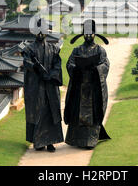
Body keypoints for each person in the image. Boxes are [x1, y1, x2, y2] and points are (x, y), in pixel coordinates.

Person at [64, 19, 111, 149]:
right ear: (83, 34)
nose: (88, 36)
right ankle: (76, 139)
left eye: (91, 34)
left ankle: (90, 140)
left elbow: (105, 65)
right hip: (79, 87)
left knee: (93, 112)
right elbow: (70, 64)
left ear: (94, 34)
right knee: (77, 112)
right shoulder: (77, 50)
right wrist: (77, 68)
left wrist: (95, 69)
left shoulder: (100, 50)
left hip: (93, 88)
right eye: (86, 34)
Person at [22, 18, 64, 152]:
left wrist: (50, 74)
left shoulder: (53, 49)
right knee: (38, 112)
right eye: (38, 31)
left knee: (50, 113)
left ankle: (50, 142)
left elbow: (57, 65)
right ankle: (38, 142)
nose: (41, 34)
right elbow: (26, 63)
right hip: (36, 87)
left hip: (50, 87)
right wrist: (35, 67)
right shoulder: (29, 49)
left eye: (43, 31)